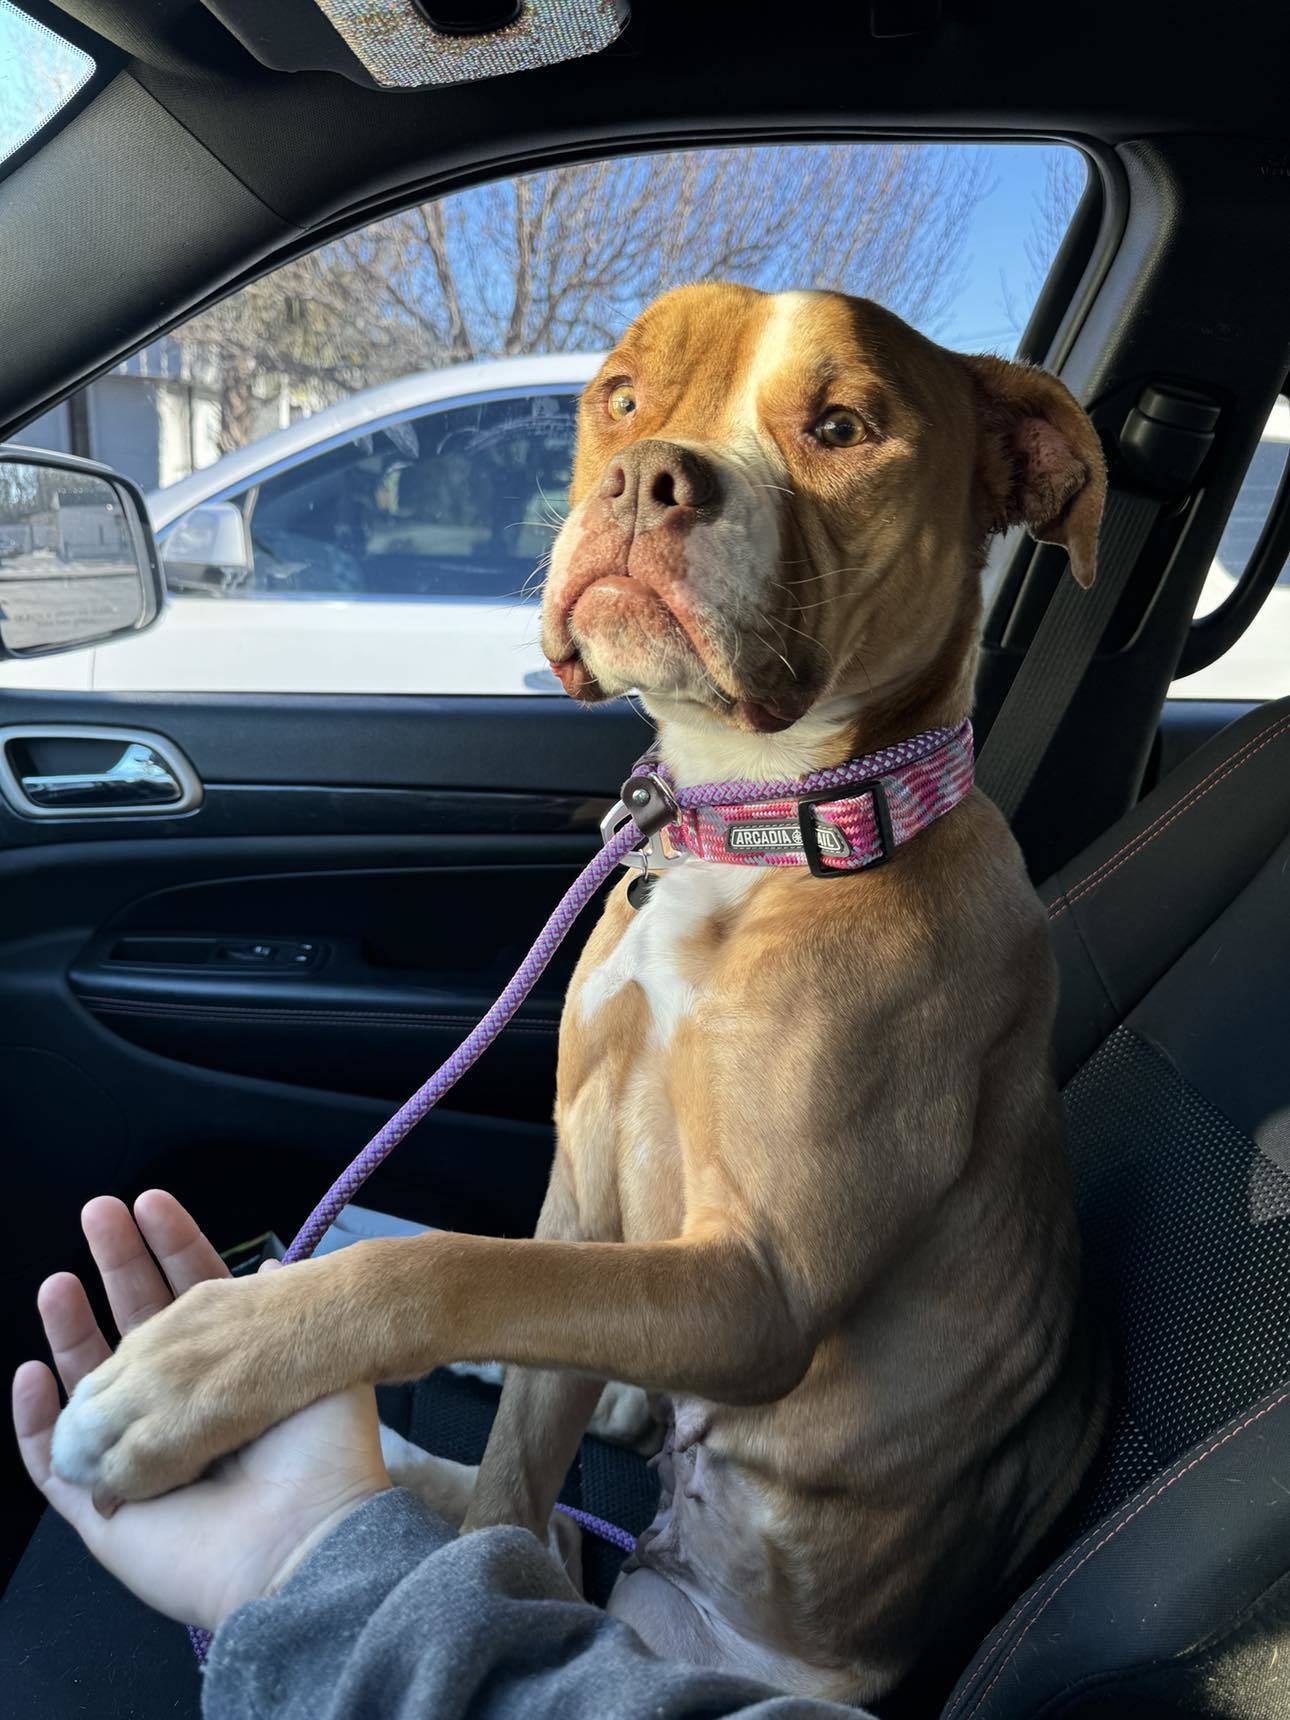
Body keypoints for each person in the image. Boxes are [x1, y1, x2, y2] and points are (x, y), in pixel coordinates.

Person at [12, 1190, 874, 1719]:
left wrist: (313, 1559)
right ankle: (528, 1537)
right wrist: (331, 1537)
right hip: (684, 1482)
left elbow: (762, 1320)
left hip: (765, 1647)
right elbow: (584, 1228)